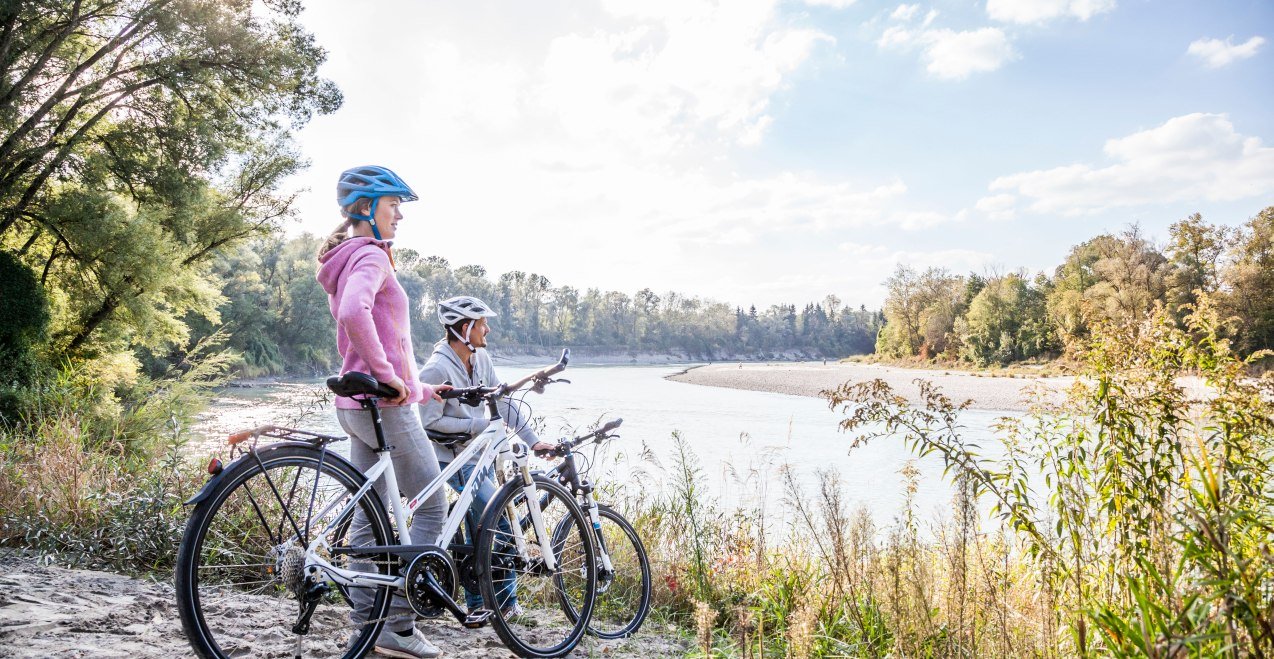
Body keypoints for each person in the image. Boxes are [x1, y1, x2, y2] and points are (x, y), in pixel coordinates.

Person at [316, 165, 447, 659]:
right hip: (383, 406)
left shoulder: (345, 256)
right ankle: (398, 624)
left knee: (369, 519)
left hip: (355, 405)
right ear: (367, 208)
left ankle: (366, 629)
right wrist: (391, 378)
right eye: (393, 205)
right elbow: (356, 313)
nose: (399, 217)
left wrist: (419, 386)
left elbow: (381, 339)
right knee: (432, 503)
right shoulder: (371, 255)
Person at [417, 295, 552, 617]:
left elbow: (502, 402)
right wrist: (480, 425)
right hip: (450, 458)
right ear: (465, 328)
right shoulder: (437, 368)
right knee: (499, 521)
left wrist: (533, 442)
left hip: (481, 457)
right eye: (482, 324)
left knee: (479, 526)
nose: (487, 329)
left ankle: (479, 604)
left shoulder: (480, 359)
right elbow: (428, 422)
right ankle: (505, 605)